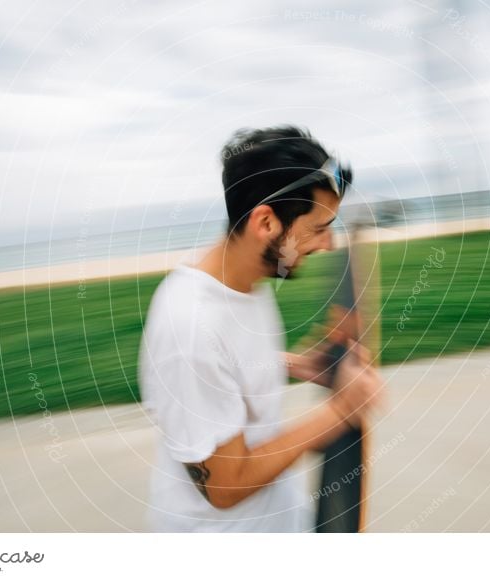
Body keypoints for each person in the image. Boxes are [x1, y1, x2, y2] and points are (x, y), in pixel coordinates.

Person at [138, 125, 384, 532]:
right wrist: (342, 411)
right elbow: (225, 486)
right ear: (266, 223)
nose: (328, 244)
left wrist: (298, 364)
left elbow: (225, 361)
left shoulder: (240, 282)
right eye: (319, 227)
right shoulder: (190, 328)